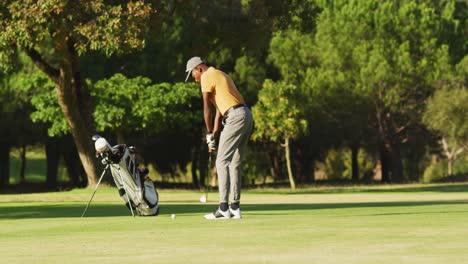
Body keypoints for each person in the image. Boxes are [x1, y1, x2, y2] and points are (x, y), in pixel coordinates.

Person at [185, 56, 253, 219]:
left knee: (222, 161)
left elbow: (207, 108)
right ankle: (235, 207)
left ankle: (223, 208)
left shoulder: (206, 77)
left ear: (199, 69)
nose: (194, 80)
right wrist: (214, 131)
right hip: (245, 114)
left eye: (193, 75)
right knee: (235, 162)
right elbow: (219, 109)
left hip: (235, 117)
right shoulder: (220, 74)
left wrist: (208, 133)